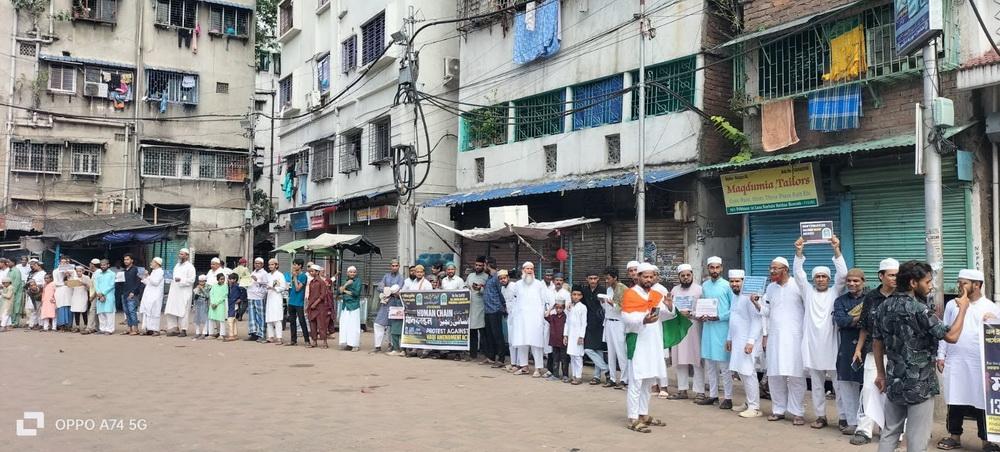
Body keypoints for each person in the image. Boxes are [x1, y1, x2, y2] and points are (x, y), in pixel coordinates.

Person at [874, 260, 971, 452]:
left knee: (890, 431)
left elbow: (877, 342)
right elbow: (951, 336)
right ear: (912, 283)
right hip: (920, 383)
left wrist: (881, 374)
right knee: (917, 437)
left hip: (894, 379)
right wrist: (963, 309)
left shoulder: (884, 306)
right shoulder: (918, 309)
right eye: (927, 282)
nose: (931, 286)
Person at [935, 269, 1000, 452]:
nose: (959, 286)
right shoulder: (952, 306)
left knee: (982, 401)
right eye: (959, 282)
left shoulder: (991, 307)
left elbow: (996, 338)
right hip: (955, 361)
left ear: (977, 285)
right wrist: (941, 355)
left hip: (980, 364)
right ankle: (954, 436)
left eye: (964, 283)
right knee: (955, 398)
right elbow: (944, 332)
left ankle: (987, 441)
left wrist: (994, 322)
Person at [794, 235, 847, 429]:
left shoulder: (835, 292)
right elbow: (798, 274)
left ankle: (843, 416)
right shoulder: (807, 292)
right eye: (818, 277)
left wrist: (836, 249)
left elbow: (843, 275)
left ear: (829, 279)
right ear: (813, 279)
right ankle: (821, 416)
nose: (821, 279)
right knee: (816, 385)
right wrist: (799, 252)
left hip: (832, 345)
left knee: (839, 385)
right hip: (813, 346)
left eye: (824, 276)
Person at [623, 263, 677, 433]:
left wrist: (668, 305)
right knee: (637, 380)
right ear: (638, 277)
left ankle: (643, 414)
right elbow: (626, 318)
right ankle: (632, 417)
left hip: (653, 344)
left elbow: (667, 315)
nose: (648, 279)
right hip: (638, 342)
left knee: (648, 380)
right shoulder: (630, 294)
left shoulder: (656, 294)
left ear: (655, 277)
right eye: (645, 276)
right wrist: (643, 320)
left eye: (651, 276)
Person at [850, 257, 899, 445]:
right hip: (873, 351)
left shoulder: (905, 295)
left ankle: (894, 431)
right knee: (869, 389)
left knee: (894, 392)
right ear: (881, 276)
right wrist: (858, 349)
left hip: (898, 353)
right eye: (891, 275)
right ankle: (864, 430)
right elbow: (864, 325)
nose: (895, 278)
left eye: (897, 275)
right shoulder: (871, 297)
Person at [756, 255, 806, 425]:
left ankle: (797, 412)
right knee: (775, 375)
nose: (772, 271)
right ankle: (778, 410)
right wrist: (757, 305)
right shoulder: (770, 288)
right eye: (771, 268)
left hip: (795, 337)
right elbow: (767, 311)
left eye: (775, 268)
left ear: (785, 269)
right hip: (775, 337)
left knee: (796, 376)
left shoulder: (798, 286)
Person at [697, 256, 735, 409]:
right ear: (708, 268)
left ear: (722, 268)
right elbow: (704, 304)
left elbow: (734, 309)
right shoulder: (704, 286)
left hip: (722, 328)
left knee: (724, 366)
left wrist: (719, 316)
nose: (714, 270)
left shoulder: (727, 286)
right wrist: (702, 315)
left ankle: (728, 397)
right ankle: (713, 395)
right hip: (708, 329)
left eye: (717, 267)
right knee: (710, 364)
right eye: (711, 268)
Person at [832, 267, 867, 435]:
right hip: (846, 347)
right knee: (846, 383)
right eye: (849, 281)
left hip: (867, 346)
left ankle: (868, 423)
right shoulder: (840, 301)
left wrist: (850, 319)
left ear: (863, 282)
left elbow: (871, 321)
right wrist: (859, 319)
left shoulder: (871, 299)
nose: (852, 284)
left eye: (856, 281)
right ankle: (852, 422)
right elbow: (840, 320)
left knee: (868, 387)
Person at [726, 269, 764, 418]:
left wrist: (750, 342)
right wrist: (729, 338)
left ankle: (754, 408)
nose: (735, 284)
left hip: (748, 341)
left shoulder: (750, 297)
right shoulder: (735, 296)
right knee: (741, 371)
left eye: (738, 281)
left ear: (743, 281)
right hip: (737, 340)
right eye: (732, 281)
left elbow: (757, 320)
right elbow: (733, 318)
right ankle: (749, 403)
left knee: (748, 372)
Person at [668, 263, 704, 400]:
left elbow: (705, 309)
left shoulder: (699, 290)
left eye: (688, 275)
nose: (686, 278)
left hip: (694, 327)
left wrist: (692, 313)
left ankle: (700, 391)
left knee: (697, 359)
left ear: (692, 275)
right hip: (679, 328)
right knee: (680, 359)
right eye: (683, 276)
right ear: (679, 277)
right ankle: (682, 390)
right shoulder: (674, 290)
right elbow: (670, 308)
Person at [510, 262, 552, 377]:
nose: (529, 270)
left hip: (535, 319)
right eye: (527, 268)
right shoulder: (517, 284)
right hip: (521, 318)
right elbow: (514, 301)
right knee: (522, 343)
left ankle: (538, 368)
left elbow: (545, 300)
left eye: (531, 269)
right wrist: (514, 315)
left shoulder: (539, 284)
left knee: (536, 344)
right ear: (523, 270)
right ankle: (524, 367)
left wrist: (544, 314)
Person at [578, 271, 609, 385]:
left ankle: (596, 376)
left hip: (600, 324)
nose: (593, 280)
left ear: (598, 279)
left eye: (595, 278)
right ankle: (606, 369)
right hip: (588, 324)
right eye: (590, 278)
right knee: (588, 349)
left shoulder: (603, 291)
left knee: (599, 351)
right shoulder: (584, 291)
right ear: (587, 279)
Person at [604, 268, 630, 390]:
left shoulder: (623, 288)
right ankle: (612, 379)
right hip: (609, 321)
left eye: (608, 278)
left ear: (615, 277)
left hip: (619, 322)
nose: (606, 280)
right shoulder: (608, 289)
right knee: (611, 352)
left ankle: (625, 379)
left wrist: (612, 304)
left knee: (621, 352)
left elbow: (624, 306)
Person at [164, 249, 196, 338]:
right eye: (179, 254)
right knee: (172, 310)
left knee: (183, 311)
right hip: (175, 291)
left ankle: (183, 330)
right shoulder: (177, 265)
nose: (180, 255)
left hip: (184, 292)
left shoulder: (190, 267)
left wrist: (181, 280)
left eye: (182, 254)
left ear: (187, 256)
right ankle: (174, 329)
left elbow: (192, 280)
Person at [374, 259, 405, 353]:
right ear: (390, 266)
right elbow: (380, 286)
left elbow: (397, 290)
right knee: (378, 324)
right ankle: (377, 346)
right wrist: (385, 290)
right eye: (393, 265)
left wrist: (388, 291)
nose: (394, 267)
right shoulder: (386, 276)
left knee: (393, 326)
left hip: (395, 304)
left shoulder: (401, 278)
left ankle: (392, 345)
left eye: (396, 266)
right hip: (385, 304)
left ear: (399, 266)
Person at [482, 257, 507, 366]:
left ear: (488, 265)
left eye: (484, 265)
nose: (483, 267)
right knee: (489, 335)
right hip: (487, 310)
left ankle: (501, 359)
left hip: (495, 309)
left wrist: (504, 306)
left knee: (497, 335)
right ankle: (491, 357)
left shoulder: (497, 277)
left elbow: (501, 292)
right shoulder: (489, 278)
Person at [463, 258, 486, 361]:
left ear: (484, 266)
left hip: (482, 307)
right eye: (476, 265)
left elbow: (489, 292)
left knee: (483, 332)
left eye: (480, 265)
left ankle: (486, 355)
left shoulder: (486, 277)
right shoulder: (470, 276)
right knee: (472, 332)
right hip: (471, 307)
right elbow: (465, 285)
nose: (477, 267)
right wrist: (466, 289)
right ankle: (473, 355)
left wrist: (480, 289)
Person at [307, 264, 333, 349]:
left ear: (317, 272)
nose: (311, 272)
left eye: (313, 271)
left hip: (320, 306)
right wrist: (309, 305)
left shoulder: (321, 282)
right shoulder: (311, 282)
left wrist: (315, 303)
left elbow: (323, 295)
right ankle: (314, 341)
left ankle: (325, 342)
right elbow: (310, 295)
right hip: (311, 306)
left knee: (322, 324)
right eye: (310, 271)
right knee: (312, 323)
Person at [566, 287, 588, 384]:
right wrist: (565, 335)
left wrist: (581, 336)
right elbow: (567, 322)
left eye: (578, 295)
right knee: (572, 356)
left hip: (578, 335)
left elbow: (584, 323)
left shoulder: (583, 307)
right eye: (574, 294)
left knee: (578, 356)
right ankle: (574, 375)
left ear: (581, 296)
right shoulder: (570, 307)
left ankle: (578, 376)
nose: (576, 296)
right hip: (571, 334)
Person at [338, 265, 363, 351]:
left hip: (354, 306)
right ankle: (348, 344)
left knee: (354, 326)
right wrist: (345, 285)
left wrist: (344, 290)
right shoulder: (344, 280)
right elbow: (339, 291)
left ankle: (355, 344)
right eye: (350, 272)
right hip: (345, 306)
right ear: (347, 273)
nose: (352, 273)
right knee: (344, 325)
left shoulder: (358, 281)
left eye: (354, 272)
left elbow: (356, 293)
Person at [286, 259, 309, 347]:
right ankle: (293, 340)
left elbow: (298, 288)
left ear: (300, 266)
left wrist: (295, 277)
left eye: (295, 265)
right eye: (293, 264)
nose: (294, 266)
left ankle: (307, 340)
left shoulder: (303, 276)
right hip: (291, 300)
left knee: (302, 320)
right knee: (292, 321)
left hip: (299, 302)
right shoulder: (293, 275)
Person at [138, 258, 165, 336]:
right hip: (149, 295)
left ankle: (155, 330)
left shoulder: (160, 272)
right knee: (147, 311)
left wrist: (148, 276)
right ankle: (148, 329)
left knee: (154, 312)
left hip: (155, 296)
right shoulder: (153, 272)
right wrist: (144, 278)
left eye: (152, 262)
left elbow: (155, 282)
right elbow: (149, 283)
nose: (151, 263)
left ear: (157, 263)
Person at [545, 298, 569, 381]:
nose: (558, 309)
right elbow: (546, 316)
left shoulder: (566, 317)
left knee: (564, 359)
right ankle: (555, 375)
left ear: (563, 308)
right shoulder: (553, 317)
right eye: (557, 308)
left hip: (563, 342)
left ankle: (565, 375)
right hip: (554, 341)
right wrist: (551, 308)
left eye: (560, 308)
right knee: (555, 359)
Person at [246, 257, 269, 342]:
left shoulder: (264, 273)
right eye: (256, 263)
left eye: (259, 263)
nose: (257, 265)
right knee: (252, 316)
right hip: (251, 295)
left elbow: (266, 284)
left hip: (259, 296)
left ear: (262, 264)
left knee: (260, 316)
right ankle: (253, 333)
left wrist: (257, 280)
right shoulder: (253, 272)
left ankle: (261, 334)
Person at [265, 258, 286, 345]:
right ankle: (270, 336)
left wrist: (273, 288)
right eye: (269, 264)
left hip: (277, 298)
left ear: (276, 265)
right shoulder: (268, 275)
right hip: (269, 298)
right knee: (269, 318)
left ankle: (279, 337)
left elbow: (283, 287)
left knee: (277, 318)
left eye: (272, 264)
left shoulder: (280, 275)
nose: (270, 266)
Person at [93, 260, 117, 335]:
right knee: (101, 313)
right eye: (101, 265)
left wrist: (103, 293)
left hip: (108, 295)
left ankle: (110, 330)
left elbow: (112, 285)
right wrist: (99, 293)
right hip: (99, 295)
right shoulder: (98, 274)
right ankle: (102, 329)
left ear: (108, 265)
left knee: (109, 313)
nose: (102, 266)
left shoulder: (112, 274)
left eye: (104, 265)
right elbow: (95, 284)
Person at [120, 254, 141, 335]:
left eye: (127, 259)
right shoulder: (124, 271)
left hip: (132, 294)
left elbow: (139, 282)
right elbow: (122, 283)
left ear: (132, 260)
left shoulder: (136, 269)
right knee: (126, 311)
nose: (125, 261)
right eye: (125, 259)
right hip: (124, 293)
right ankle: (129, 328)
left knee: (132, 311)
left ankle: (136, 329)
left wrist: (133, 292)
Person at [54, 257, 75, 331]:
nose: (63, 264)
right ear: (59, 263)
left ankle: (69, 325)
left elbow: (74, 281)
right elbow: (56, 283)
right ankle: (61, 325)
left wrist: (68, 275)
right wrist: (64, 283)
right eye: (62, 262)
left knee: (69, 307)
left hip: (69, 291)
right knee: (61, 307)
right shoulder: (55, 271)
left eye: (65, 262)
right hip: (60, 291)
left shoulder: (72, 271)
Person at [82, 258, 101, 334]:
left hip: (96, 295)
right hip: (93, 294)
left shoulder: (98, 273)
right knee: (95, 311)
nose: (89, 265)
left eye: (90, 264)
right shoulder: (95, 273)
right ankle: (96, 327)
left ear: (93, 265)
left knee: (92, 311)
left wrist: (93, 296)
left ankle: (89, 328)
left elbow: (97, 286)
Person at [225, 273, 245, 342]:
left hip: (234, 304)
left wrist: (240, 299)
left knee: (230, 319)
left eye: (231, 279)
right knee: (233, 320)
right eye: (229, 279)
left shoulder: (237, 286)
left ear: (235, 279)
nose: (230, 280)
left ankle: (231, 335)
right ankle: (235, 334)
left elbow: (244, 292)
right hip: (231, 303)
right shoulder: (229, 286)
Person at [208, 273, 228, 339]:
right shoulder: (214, 286)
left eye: (223, 279)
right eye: (221, 279)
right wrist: (212, 303)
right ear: (217, 279)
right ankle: (211, 334)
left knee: (221, 319)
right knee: (211, 318)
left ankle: (222, 334)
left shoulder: (225, 286)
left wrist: (216, 303)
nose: (222, 280)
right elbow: (211, 294)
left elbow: (224, 296)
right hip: (213, 304)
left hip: (220, 305)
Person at [5, 259, 24, 328]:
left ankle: (15, 323)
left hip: (15, 293)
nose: (7, 263)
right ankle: (11, 322)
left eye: (9, 262)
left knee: (16, 307)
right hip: (9, 292)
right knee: (10, 308)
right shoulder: (9, 271)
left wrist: (13, 292)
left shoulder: (16, 271)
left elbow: (17, 282)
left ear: (13, 263)